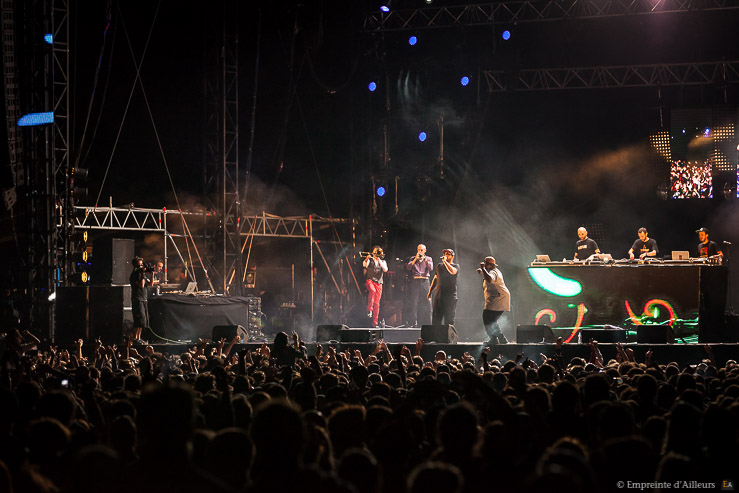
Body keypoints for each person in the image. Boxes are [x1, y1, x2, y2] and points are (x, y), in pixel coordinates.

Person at [477, 256, 510, 344]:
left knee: (487, 317)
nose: (484, 264)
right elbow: (487, 275)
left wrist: (482, 269)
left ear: (489, 265)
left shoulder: (494, 272)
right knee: (492, 320)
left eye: (485, 264)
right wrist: (482, 271)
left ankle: (494, 339)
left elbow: (489, 278)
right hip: (498, 298)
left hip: (499, 299)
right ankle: (501, 339)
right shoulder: (491, 271)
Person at [428, 248, 459, 326]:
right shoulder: (439, 266)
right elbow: (435, 278)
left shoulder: (455, 266)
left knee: (449, 320)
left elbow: (452, 272)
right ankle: (436, 337)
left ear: (452, 256)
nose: (445, 255)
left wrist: (445, 261)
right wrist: (430, 292)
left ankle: (447, 337)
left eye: (448, 254)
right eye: (445, 254)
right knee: (436, 319)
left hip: (450, 297)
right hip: (439, 296)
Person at [405, 244, 434, 327]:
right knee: (413, 302)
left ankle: (429, 322)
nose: (420, 251)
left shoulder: (428, 259)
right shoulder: (413, 258)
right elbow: (408, 267)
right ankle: (413, 323)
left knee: (428, 301)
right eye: (418, 250)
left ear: (425, 251)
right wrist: (415, 260)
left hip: (425, 281)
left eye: (421, 250)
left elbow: (431, 268)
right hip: (415, 281)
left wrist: (424, 260)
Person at [363, 246, 388, 328]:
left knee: (377, 303)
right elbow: (364, 265)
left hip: (379, 283)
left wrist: (379, 260)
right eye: (375, 252)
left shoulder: (383, 261)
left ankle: (375, 323)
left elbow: (385, 270)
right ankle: (369, 309)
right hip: (370, 281)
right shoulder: (370, 260)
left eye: (377, 252)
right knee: (372, 291)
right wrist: (367, 259)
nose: (376, 254)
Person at [130, 256, 151, 343]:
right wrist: (142, 274)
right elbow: (141, 285)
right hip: (137, 299)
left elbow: (150, 283)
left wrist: (151, 273)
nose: (142, 266)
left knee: (143, 320)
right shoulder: (135, 274)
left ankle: (139, 337)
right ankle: (135, 338)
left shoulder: (142, 275)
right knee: (138, 319)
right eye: (141, 264)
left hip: (144, 298)